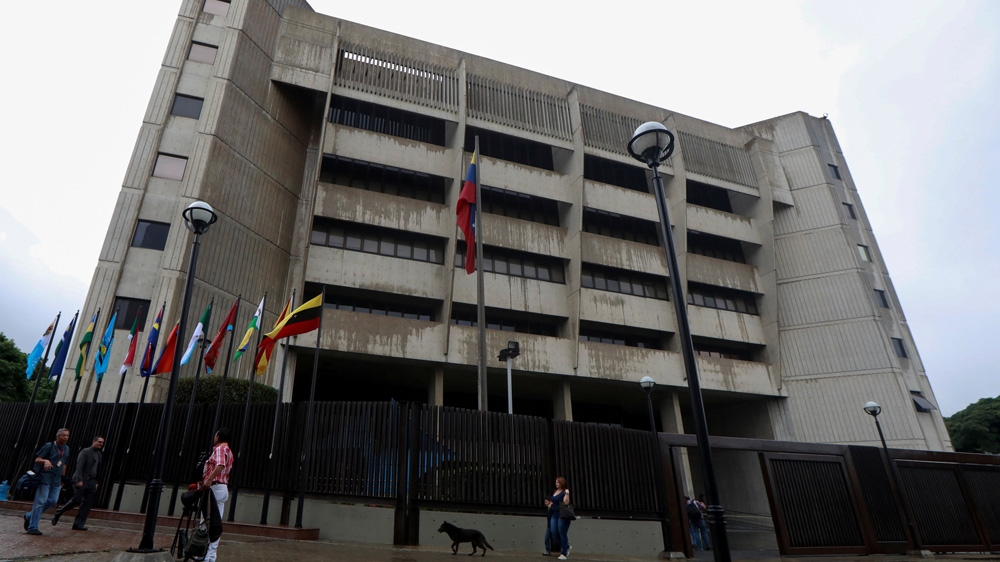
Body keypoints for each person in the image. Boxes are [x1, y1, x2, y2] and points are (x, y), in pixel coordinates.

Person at [52, 435, 105, 530]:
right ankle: (59, 512)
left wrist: (97, 482)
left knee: (87, 504)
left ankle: (78, 524)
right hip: (82, 480)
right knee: (76, 499)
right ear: (94, 441)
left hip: (92, 482)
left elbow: (99, 470)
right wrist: (79, 480)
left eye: (102, 442)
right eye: (99, 442)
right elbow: (79, 466)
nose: (101, 444)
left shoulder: (99, 455)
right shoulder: (85, 452)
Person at [23, 428, 70, 535]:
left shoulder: (67, 449)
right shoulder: (49, 446)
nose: (65, 437)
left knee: (53, 500)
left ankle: (29, 516)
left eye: (67, 435)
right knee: (40, 501)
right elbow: (37, 459)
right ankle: (32, 527)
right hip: (45, 478)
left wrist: (63, 477)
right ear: (57, 436)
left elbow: (63, 463)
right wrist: (46, 461)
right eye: (63, 435)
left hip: (56, 480)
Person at [200, 428, 233, 562]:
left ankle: (200, 553)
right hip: (222, 487)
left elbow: (220, 464)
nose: (214, 437)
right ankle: (210, 556)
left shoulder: (219, 449)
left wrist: (208, 479)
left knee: (205, 522)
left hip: (214, 487)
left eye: (215, 435)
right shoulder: (229, 451)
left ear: (218, 437)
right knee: (216, 523)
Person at [542, 476, 572, 559]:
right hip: (554, 514)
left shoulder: (564, 492)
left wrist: (567, 493)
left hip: (562, 515)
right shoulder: (555, 491)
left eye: (558, 482)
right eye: (556, 482)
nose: (556, 484)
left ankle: (564, 553)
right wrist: (550, 504)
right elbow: (553, 500)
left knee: (562, 533)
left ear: (562, 483)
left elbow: (566, 502)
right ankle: (566, 546)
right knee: (554, 533)